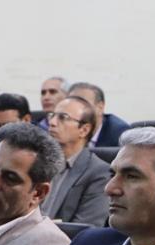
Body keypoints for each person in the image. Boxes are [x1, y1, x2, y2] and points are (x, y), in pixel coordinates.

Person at [41, 95, 111, 226]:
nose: (52, 122)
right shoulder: (40, 162)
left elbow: (86, 228)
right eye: (52, 115)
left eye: (63, 117)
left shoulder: (100, 174)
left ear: (84, 130)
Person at [68, 81, 130, 148]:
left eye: (82, 104)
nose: (75, 109)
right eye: (71, 104)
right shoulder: (63, 127)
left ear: (100, 107)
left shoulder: (118, 132)